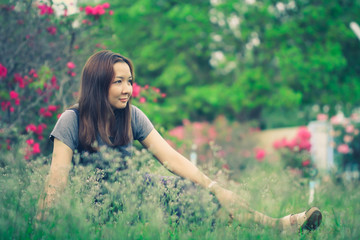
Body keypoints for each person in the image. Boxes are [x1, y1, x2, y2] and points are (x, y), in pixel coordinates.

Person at [37, 50, 322, 233]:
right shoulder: (71, 120)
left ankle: (275, 226)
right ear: (99, 84)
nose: (127, 89)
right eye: (118, 82)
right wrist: (41, 228)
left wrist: (215, 187)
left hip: (137, 190)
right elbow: (56, 182)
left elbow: (171, 158)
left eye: (130, 81)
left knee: (206, 197)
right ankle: (276, 228)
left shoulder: (132, 116)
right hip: (97, 205)